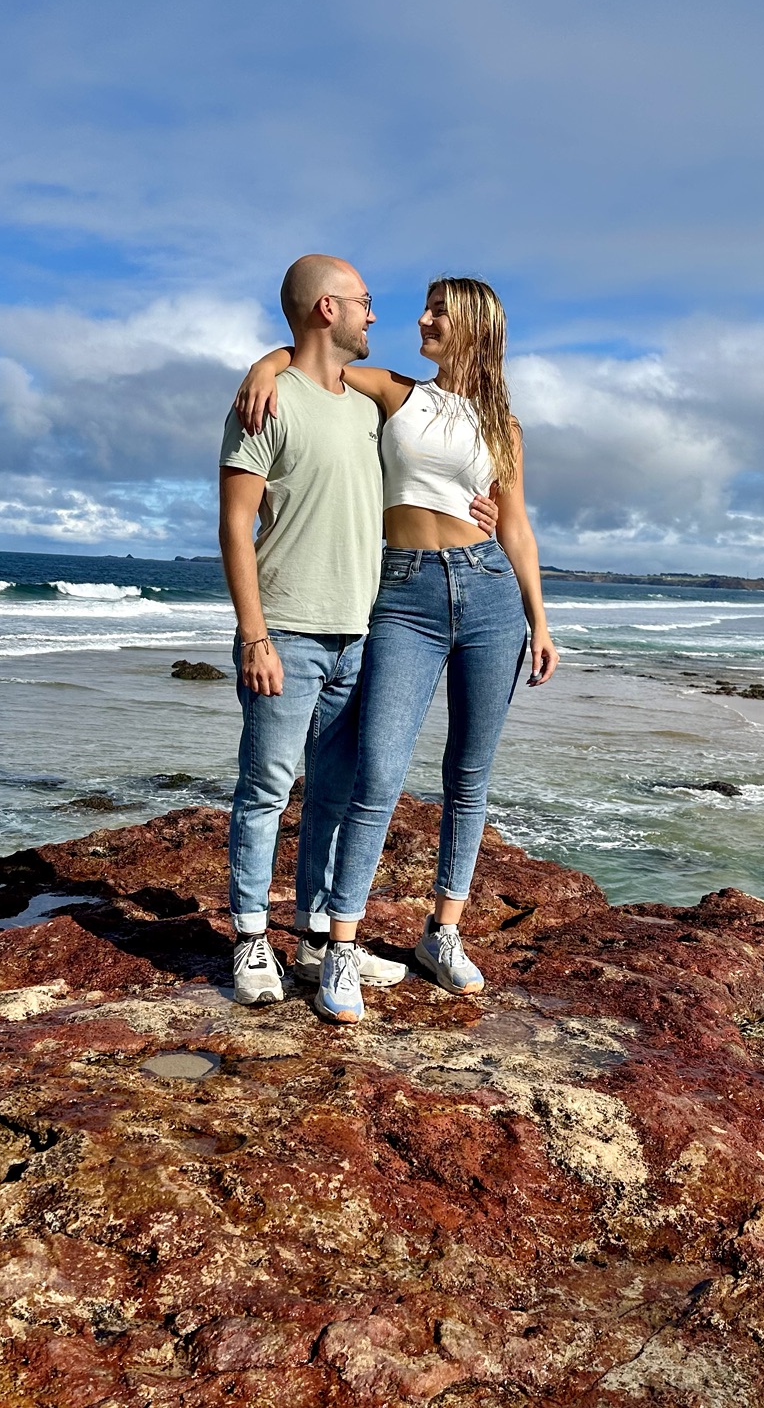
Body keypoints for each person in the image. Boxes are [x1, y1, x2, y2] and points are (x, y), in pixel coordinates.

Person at [233, 276, 559, 1023]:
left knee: (468, 777)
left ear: (472, 326)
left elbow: (515, 528)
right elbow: (319, 360)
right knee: (376, 772)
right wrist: (264, 362)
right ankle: (340, 946)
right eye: (423, 307)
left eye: (438, 311)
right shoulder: (393, 390)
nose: (421, 318)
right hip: (402, 594)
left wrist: (540, 621)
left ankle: (443, 933)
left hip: (488, 593)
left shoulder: (502, 425)